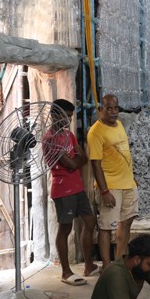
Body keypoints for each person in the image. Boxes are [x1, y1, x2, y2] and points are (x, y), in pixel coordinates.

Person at [43, 99, 98, 285]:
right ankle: (66, 272)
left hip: (77, 186)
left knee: (90, 221)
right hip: (62, 189)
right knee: (65, 229)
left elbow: (84, 156)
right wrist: (76, 159)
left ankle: (89, 265)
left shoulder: (69, 135)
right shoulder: (50, 139)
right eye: (65, 116)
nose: (68, 120)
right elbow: (75, 161)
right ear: (53, 115)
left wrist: (77, 159)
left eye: (70, 116)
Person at [87, 94, 137, 267]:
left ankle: (120, 262)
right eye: (108, 108)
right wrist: (105, 192)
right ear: (100, 109)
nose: (113, 112)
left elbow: (123, 153)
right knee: (107, 227)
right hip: (111, 187)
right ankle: (107, 267)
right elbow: (95, 165)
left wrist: (132, 177)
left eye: (116, 108)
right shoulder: (96, 132)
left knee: (126, 222)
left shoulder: (120, 125)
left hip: (128, 184)